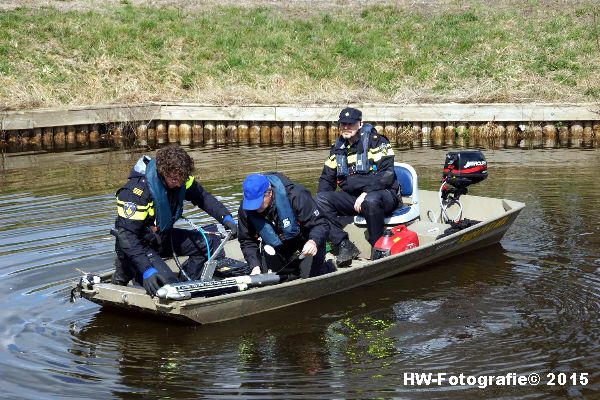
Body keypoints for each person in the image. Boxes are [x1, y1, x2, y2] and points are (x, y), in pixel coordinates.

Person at [111, 145, 238, 296]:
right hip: (139, 245)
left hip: (161, 238)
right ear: (162, 172)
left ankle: (187, 283)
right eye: (174, 179)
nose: (178, 184)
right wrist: (146, 269)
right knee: (169, 288)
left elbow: (203, 197)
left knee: (210, 244)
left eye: (181, 180)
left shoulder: (180, 178)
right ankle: (126, 269)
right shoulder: (136, 193)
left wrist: (226, 218)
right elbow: (127, 236)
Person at [316, 107, 399, 267]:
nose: (346, 127)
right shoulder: (337, 149)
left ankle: (377, 247)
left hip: (384, 195)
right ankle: (344, 244)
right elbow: (326, 180)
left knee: (371, 200)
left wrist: (367, 192)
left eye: (350, 124)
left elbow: (387, 175)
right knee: (320, 199)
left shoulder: (377, 141)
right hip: (354, 199)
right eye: (342, 124)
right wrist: (317, 211)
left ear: (360, 124)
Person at [237, 173, 331, 279]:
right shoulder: (246, 209)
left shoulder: (296, 195)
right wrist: (255, 266)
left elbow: (321, 224)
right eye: (251, 203)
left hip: (305, 244)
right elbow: (246, 240)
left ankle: (327, 267)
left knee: (308, 276)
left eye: (257, 202)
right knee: (271, 278)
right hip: (278, 247)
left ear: (269, 193)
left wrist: (313, 241)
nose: (254, 207)